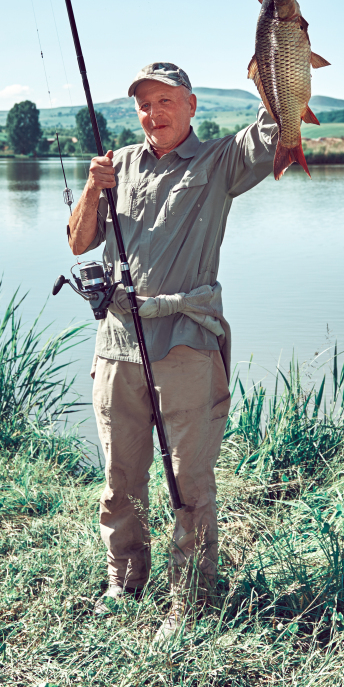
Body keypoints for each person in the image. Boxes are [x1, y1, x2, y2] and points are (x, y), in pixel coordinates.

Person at [67, 61, 278, 633]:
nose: (152, 115)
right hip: (117, 345)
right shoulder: (118, 166)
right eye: (144, 105)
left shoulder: (219, 161)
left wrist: (274, 55)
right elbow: (79, 241)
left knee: (189, 480)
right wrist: (92, 189)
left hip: (186, 342)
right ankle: (126, 579)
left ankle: (188, 603)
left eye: (164, 102)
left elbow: (273, 132)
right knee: (120, 478)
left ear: (190, 105)